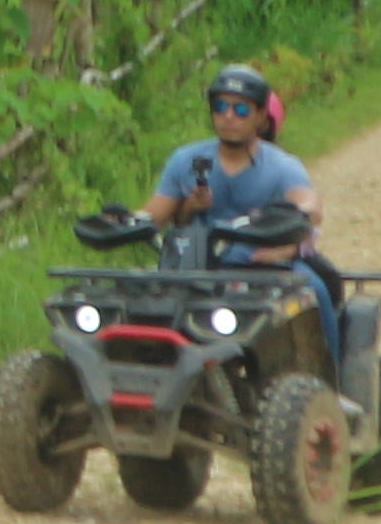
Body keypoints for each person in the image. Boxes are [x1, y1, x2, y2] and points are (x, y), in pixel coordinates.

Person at [144, 61, 336, 359]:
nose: (229, 116)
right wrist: (125, 221)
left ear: (260, 116)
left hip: (265, 264)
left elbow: (309, 203)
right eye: (220, 107)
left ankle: (331, 386)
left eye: (241, 109)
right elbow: (153, 212)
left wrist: (298, 215)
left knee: (316, 292)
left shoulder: (281, 165)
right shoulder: (186, 160)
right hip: (197, 265)